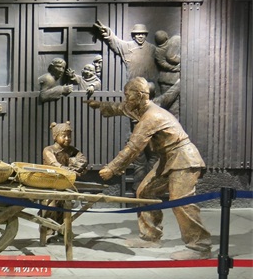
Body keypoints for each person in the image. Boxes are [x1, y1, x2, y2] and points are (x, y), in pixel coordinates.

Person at [87, 77, 212, 260]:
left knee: (181, 202)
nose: (126, 99)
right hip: (168, 159)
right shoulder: (142, 108)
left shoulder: (152, 117)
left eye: (128, 95)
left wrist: (112, 168)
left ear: (139, 95)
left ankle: (200, 247)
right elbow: (122, 108)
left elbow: (133, 147)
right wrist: (100, 105)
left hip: (184, 159)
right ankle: (150, 236)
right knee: (145, 192)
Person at [38, 121, 88, 243]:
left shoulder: (72, 150)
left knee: (65, 207)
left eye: (69, 136)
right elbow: (55, 165)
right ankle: (48, 229)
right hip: (50, 184)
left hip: (65, 184)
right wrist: (71, 168)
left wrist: (75, 167)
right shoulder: (48, 150)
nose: (67, 139)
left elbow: (83, 160)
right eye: (64, 136)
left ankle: (62, 230)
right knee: (50, 207)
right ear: (55, 136)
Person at [93, 20, 159, 95]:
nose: (140, 36)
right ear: (134, 36)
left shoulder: (152, 49)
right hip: (133, 86)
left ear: (146, 35)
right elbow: (116, 42)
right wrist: (108, 32)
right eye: (138, 34)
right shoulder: (128, 47)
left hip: (149, 87)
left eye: (143, 34)